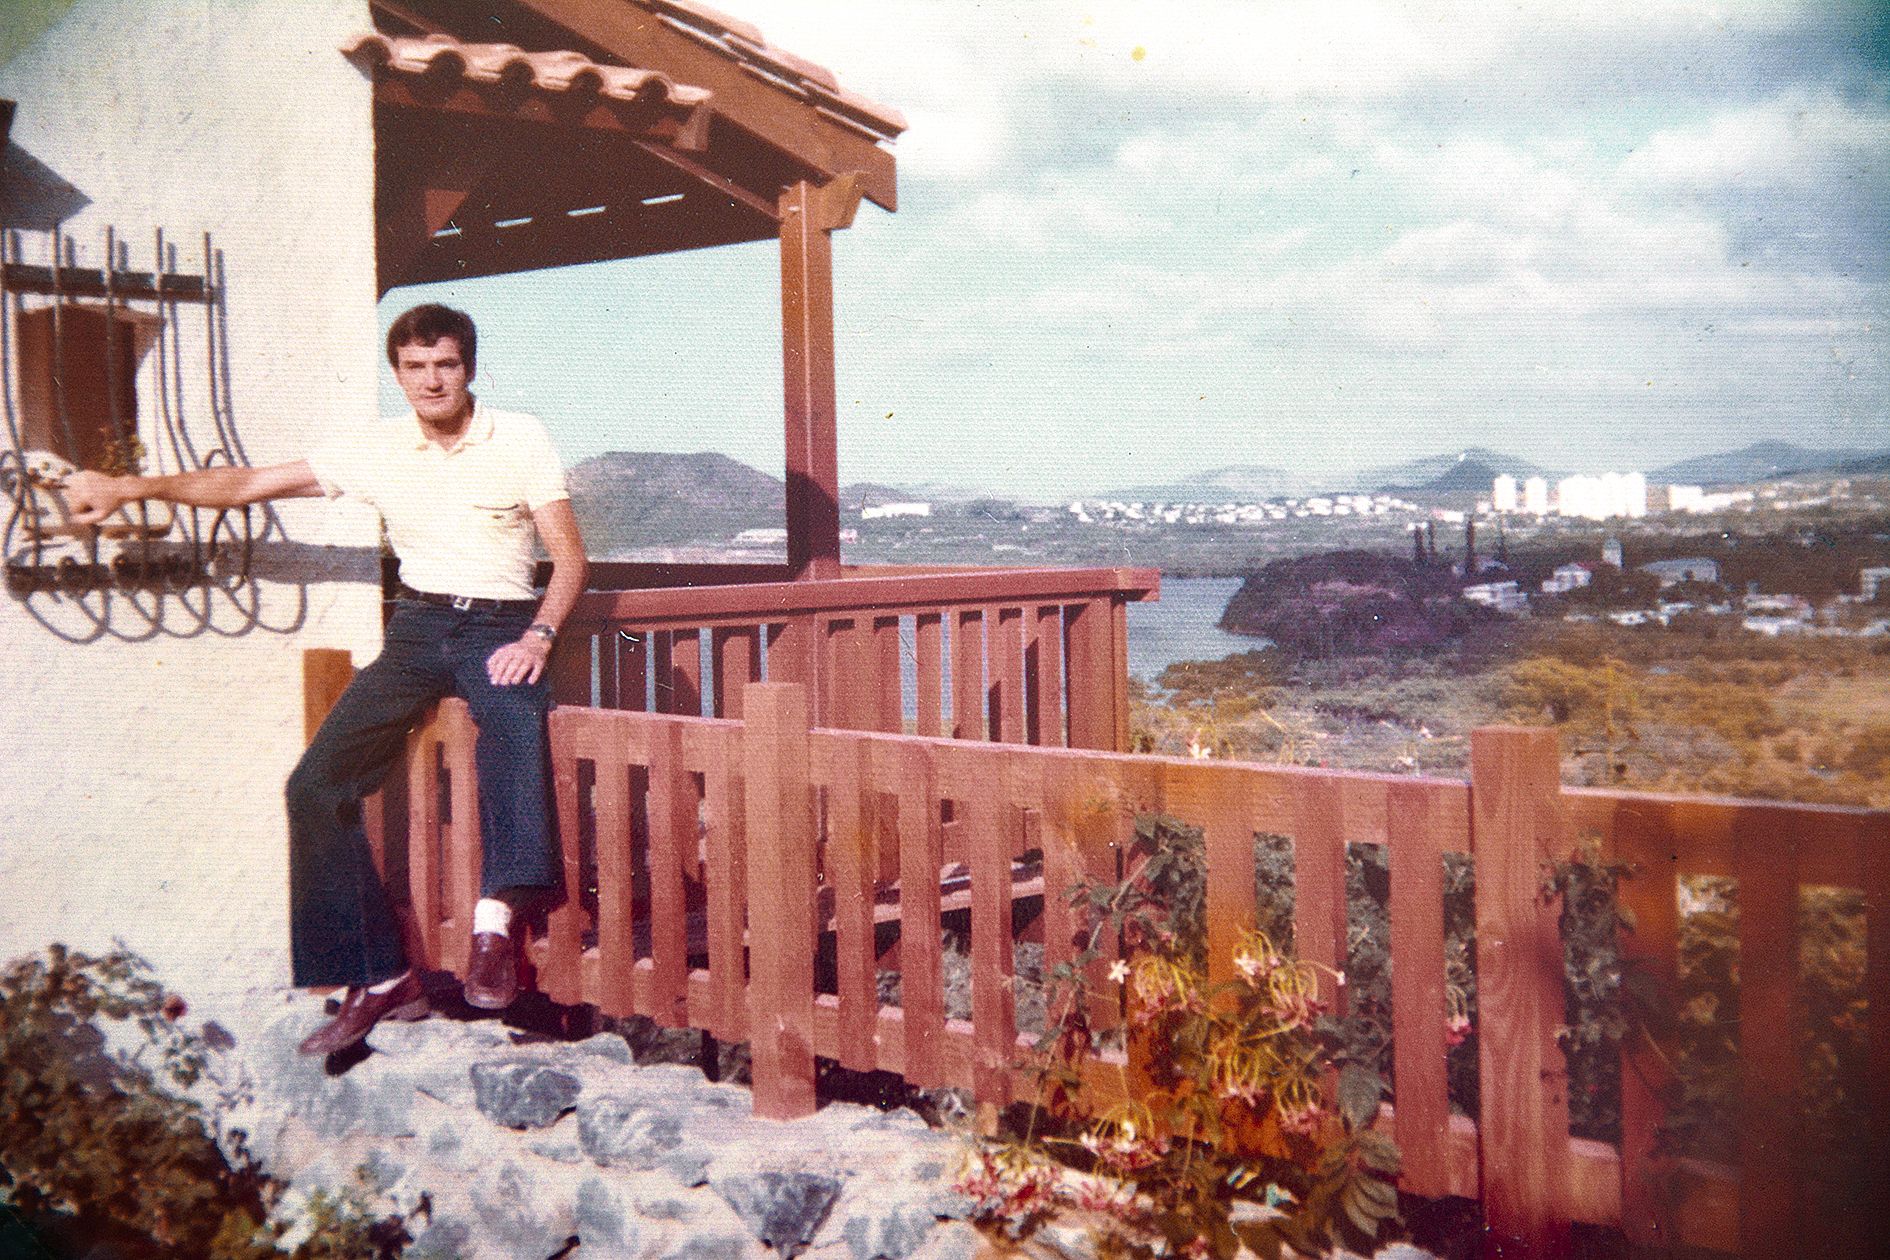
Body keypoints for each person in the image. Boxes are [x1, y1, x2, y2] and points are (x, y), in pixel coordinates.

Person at [65, 303, 589, 1055]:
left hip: (498, 628)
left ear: (469, 368)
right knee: (313, 786)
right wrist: (129, 489)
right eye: (415, 367)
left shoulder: (521, 437)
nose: (431, 381)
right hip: (416, 629)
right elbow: (248, 484)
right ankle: (381, 977)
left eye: (445, 364)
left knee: (514, 723)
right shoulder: (378, 448)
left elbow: (569, 558)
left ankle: (494, 924)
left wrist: (538, 635)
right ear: (397, 374)